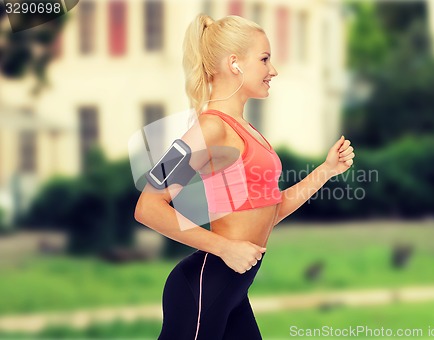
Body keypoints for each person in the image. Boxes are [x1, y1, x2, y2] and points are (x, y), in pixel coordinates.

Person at [134, 13, 355, 340]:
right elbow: (149, 206)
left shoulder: (248, 132)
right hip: (202, 288)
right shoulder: (210, 128)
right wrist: (224, 248)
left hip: (233, 289)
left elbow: (270, 211)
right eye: (265, 59)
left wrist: (325, 171)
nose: (273, 70)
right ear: (234, 63)